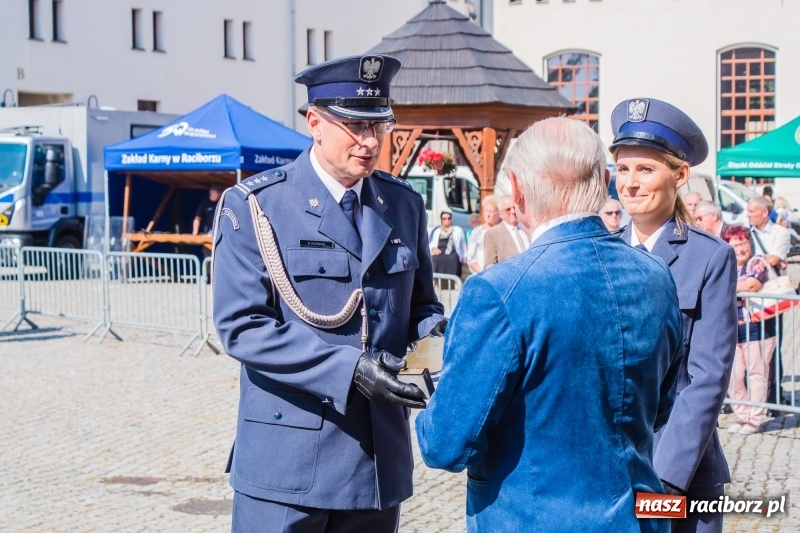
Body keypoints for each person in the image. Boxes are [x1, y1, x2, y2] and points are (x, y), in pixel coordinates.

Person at [212, 54, 446, 533]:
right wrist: (351, 370)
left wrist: (434, 346)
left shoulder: (402, 204)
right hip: (288, 462)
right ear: (315, 123)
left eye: (378, 126)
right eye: (354, 126)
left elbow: (421, 306)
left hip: (376, 458)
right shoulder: (258, 206)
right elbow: (242, 328)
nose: (368, 141)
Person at [416, 117, 683, 532]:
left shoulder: (498, 290)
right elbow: (660, 402)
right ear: (606, 180)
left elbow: (447, 444)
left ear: (518, 191)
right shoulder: (655, 273)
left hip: (537, 518)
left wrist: (434, 392)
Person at [612, 97, 737, 533]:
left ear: (680, 175)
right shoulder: (600, 252)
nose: (629, 183)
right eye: (622, 169)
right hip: (607, 474)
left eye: (645, 169)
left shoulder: (710, 257)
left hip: (676, 472)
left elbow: (707, 378)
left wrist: (664, 480)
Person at [720, 224, 777, 435]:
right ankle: (742, 414)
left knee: (756, 374)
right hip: (732, 329)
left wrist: (723, 286)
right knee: (733, 375)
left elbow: (751, 285)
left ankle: (754, 419)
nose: (740, 248)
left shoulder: (757, 262)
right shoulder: (727, 265)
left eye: (743, 242)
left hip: (758, 327)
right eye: (734, 244)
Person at [748, 196, 790, 275]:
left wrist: (750, 260)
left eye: (751, 211)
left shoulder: (781, 232)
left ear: (765, 213)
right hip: (751, 283)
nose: (748, 215)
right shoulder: (747, 233)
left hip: (774, 283)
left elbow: (774, 259)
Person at [483, 195, 529, 267]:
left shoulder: (528, 228)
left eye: (515, 207)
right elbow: (489, 264)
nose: (513, 211)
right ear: (500, 214)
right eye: (508, 209)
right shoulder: (493, 234)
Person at [465, 195, 500, 274]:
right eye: (486, 211)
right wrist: (482, 272)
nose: (488, 214)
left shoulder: (502, 231)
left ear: (498, 213)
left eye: (491, 211)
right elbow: (470, 257)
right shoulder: (477, 231)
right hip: (481, 274)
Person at [429, 211, 466, 277]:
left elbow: (462, 245)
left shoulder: (458, 230)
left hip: (452, 253)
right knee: (434, 259)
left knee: (454, 259)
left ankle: (455, 284)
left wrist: (463, 257)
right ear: (441, 220)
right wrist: (433, 248)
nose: (447, 220)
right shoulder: (436, 230)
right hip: (439, 253)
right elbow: (430, 243)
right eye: (444, 219)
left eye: (449, 218)